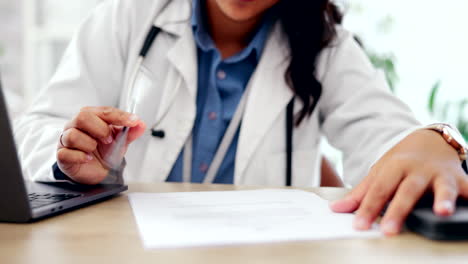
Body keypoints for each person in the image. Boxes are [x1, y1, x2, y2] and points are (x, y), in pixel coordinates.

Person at [14, 0, 468, 236]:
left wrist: (432, 141)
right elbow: (36, 128)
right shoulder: (127, 16)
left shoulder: (327, 48)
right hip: (124, 247)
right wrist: (70, 152)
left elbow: (391, 136)